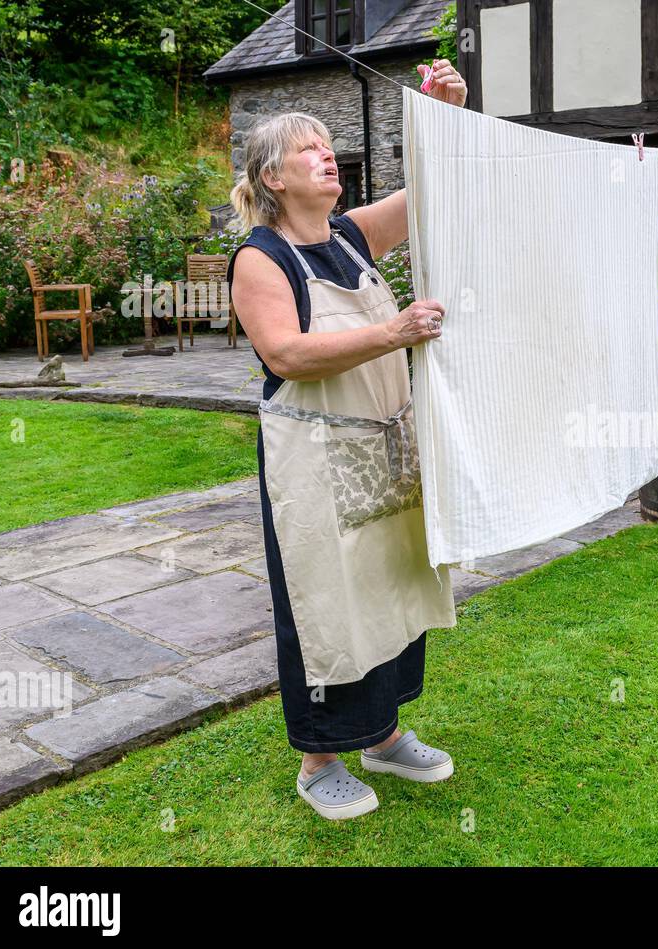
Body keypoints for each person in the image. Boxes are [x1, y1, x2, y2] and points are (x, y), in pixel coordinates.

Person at [226, 61, 467, 820]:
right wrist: (392, 331)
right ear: (274, 177)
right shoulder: (260, 258)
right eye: (309, 150)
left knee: (389, 588)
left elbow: (433, 188)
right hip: (317, 465)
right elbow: (286, 354)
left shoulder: (351, 234)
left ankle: (384, 737)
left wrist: (439, 112)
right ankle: (318, 759)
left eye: (329, 146)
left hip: (382, 452)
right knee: (326, 602)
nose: (326, 156)